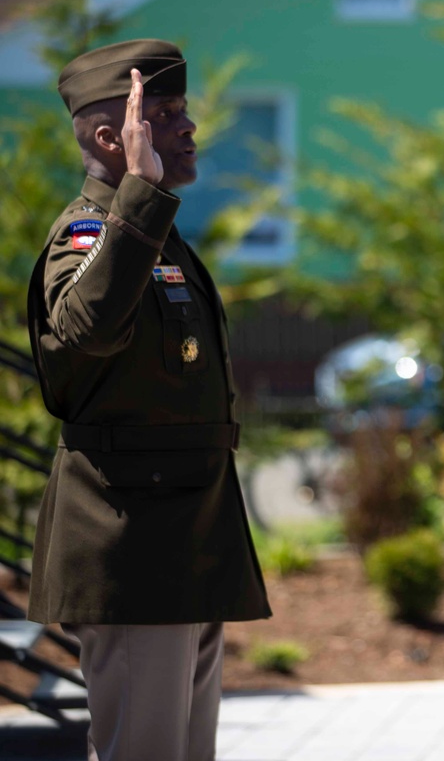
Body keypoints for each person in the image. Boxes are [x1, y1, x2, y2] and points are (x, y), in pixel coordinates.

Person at [26, 39, 271, 761]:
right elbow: (85, 330)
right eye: (163, 114)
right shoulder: (94, 233)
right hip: (129, 544)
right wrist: (140, 194)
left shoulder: (155, 238)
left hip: (182, 536)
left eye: (183, 110)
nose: (188, 126)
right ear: (115, 137)